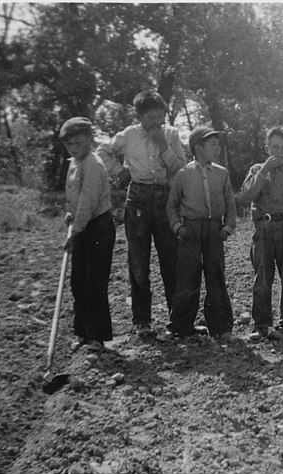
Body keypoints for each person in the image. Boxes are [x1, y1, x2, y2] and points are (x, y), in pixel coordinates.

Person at [96, 90, 187, 337]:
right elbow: (101, 151)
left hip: (165, 198)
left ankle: (177, 319)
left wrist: (162, 145)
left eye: (160, 116)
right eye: (150, 117)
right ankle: (142, 321)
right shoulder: (128, 135)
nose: (156, 121)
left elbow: (181, 168)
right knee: (138, 261)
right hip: (137, 199)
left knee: (171, 259)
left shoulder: (171, 135)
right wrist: (118, 171)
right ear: (140, 117)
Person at [159, 126, 238, 344]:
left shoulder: (222, 173)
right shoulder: (183, 175)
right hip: (190, 231)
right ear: (198, 148)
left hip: (214, 230)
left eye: (218, 145)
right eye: (213, 145)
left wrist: (227, 227)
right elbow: (172, 206)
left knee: (216, 276)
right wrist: (178, 228)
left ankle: (221, 328)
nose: (217, 149)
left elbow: (231, 203)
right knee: (187, 277)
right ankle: (180, 327)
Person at [236, 126, 283, 342]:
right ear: (267, 147)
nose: (279, 152)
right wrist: (263, 171)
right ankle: (261, 324)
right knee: (262, 276)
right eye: (274, 146)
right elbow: (246, 195)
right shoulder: (257, 169)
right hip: (263, 227)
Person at [61, 117, 116, 353]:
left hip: (98, 227)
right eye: (69, 144)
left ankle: (96, 336)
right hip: (83, 225)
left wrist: (74, 231)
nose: (74, 147)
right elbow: (74, 196)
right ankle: (82, 332)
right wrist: (69, 214)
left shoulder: (93, 164)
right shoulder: (73, 163)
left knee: (94, 282)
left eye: (78, 142)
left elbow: (88, 201)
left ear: (89, 139)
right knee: (78, 282)